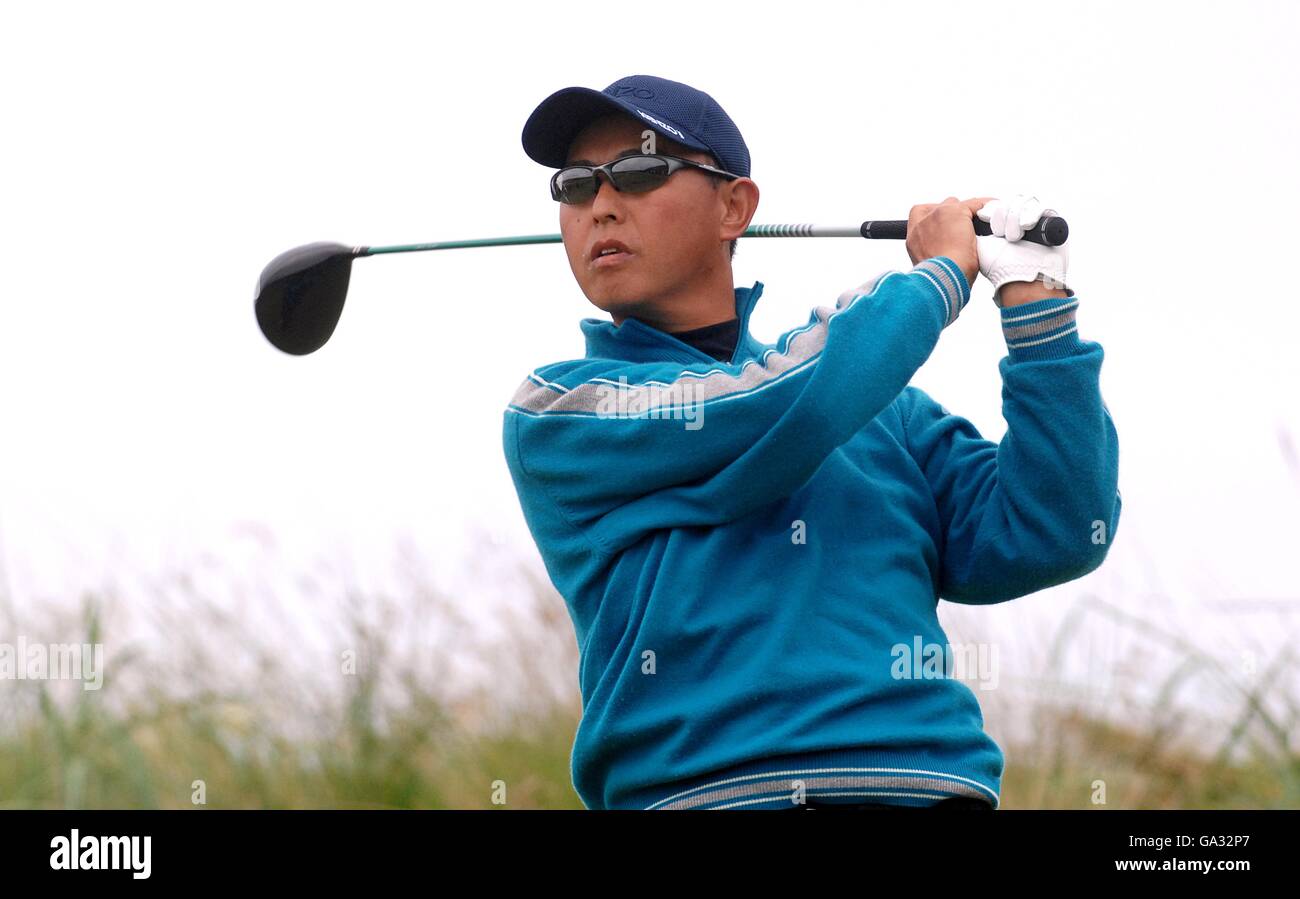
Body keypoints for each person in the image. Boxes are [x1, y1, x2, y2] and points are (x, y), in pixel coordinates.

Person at [504, 74, 1121, 810]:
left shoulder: (883, 411)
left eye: (639, 172)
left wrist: (1035, 306)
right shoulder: (560, 412)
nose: (600, 204)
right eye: (574, 186)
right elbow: (778, 407)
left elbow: (1055, 529)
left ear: (734, 206)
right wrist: (937, 280)